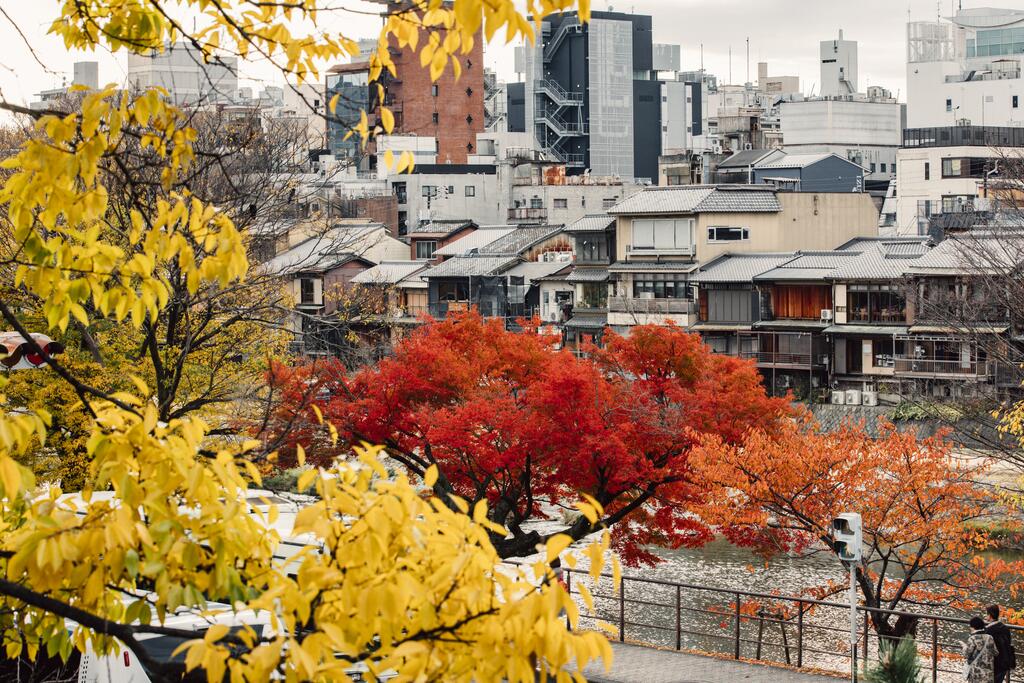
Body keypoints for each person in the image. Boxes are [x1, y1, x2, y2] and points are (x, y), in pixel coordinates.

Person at [986, 604, 1016, 683]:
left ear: (990, 615)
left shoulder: (988, 631)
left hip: (993, 665)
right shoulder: (1005, 628)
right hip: (1004, 663)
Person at [964, 616, 998, 683]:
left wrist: (964, 647)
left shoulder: (972, 639)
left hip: (976, 674)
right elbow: (995, 653)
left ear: (973, 627)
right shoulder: (990, 637)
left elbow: (967, 655)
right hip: (988, 674)